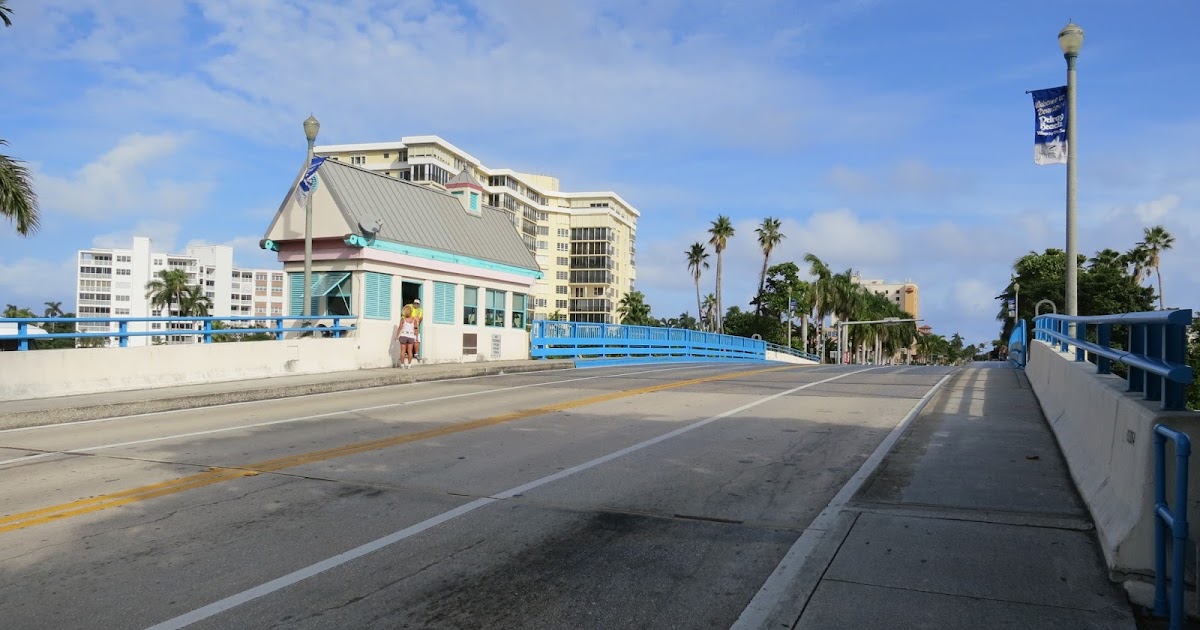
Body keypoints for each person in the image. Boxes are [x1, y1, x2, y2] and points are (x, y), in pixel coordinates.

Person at [396, 304, 418, 369]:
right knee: (410, 351)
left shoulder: (403, 319)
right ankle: (409, 365)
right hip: (411, 336)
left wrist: (397, 335)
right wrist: (416, 337)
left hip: (403, 336)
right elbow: (416, 329)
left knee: (403, 351)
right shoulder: (414, 320)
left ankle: (402, 365)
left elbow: (400, 327)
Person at [407, 298, 424, 362]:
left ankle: (416, 354)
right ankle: (409, 353)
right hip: (409, 327)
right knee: (409, 341)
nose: (416, 305)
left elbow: (420, 318)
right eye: (415, 303)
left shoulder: (420, 310)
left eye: (417, 304)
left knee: (417, 340)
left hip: (416, 327)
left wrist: (417, 325)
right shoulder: (410, 307)